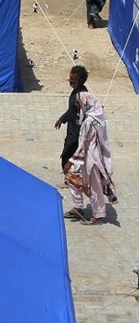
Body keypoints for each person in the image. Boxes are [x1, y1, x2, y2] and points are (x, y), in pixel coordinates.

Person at [64, 92, 114, 224]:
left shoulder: (89, 122)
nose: (77, 105)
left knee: (94, 186)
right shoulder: (98, 117)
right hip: (90, 157)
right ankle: (78, 206)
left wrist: (70, 161)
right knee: (72, 179)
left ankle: (98, 215)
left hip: (91, 159)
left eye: (79, 102)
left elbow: (84, 144)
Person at [54, 64, 88, 173]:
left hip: (76, 133)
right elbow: (71, 110)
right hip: (71, 131)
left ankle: (71, 178)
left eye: (73, 79)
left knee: (67, 156)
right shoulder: (76, 92)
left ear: (80, 80)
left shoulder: (82, 96)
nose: (70, 81)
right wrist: (62, 119)